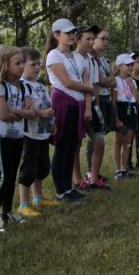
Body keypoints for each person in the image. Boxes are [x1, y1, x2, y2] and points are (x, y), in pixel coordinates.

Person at [0, 45, 36, 231]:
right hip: (3, 137)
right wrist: (20, 112)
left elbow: (31, 112)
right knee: (4, 178)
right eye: (17, 63)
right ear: (5, 65)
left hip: (18, 137)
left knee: (12, 177)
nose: (22, 66)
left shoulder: (23, 87)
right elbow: (4, 115)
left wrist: (14, 110)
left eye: (23, 62)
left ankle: (7, 213)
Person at [44, 18, 94, 204]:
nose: (72, 35)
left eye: (73, 32)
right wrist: (88, 88)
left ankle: (69, 188)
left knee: (72, 146)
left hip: (77, 104)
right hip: (63, 102)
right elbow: (66, 82)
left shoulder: (79, 57)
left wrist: (87, 99)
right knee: (63, 146)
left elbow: (85, 79)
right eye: (68, 33)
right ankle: (61, 191)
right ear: (56, 35)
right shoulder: (53, 56)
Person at [18, 47, 59, 218]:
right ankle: (23, 204)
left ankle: (38, 197)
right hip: (30, 134)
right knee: (28, 168)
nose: (37, 68)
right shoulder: (22, 85)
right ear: (22, 65)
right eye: (32, 64)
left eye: (38, 64)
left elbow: (47, 104)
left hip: (43, 133)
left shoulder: (41, 85)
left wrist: (52, 122)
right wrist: (40, 113)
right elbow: (26, 108)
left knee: (42, 166)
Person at [71, 25, 104, 190]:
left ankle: (93, 178)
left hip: (92, 105)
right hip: (77, 104)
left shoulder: (92, 61)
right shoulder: (71, 59)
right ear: (77, 40)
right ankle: (77, 180)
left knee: (99, 141)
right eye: (88, 39)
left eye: (93, 39)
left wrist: (95, 107)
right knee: (76, 143)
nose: (91, 42)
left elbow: (95, 86)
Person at [87, 28, 115, 188]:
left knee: (99, 136)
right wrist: (109, 78)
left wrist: (109, 79)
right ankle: (90, 173)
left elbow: (113, 82)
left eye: (107, 39)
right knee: (95, 138)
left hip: (104, 98)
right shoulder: (90, 59)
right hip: (94, 99)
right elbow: (102, 80)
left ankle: (94, 173)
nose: (106, 42)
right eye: (103, 38)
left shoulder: (104, 59)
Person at [112, 53, 138, 180]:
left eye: (131, 64)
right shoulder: (115, 81)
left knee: (128, 141)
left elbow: (137, 99)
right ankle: (118, 170)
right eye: (127, 65)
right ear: (119, 66)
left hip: (131, 109)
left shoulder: (133, 81)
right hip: (121, 109)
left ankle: (124, 168)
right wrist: (116, 118)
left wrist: (132, 85)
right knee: (119, 141)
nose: (130, 67)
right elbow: (114, 101)